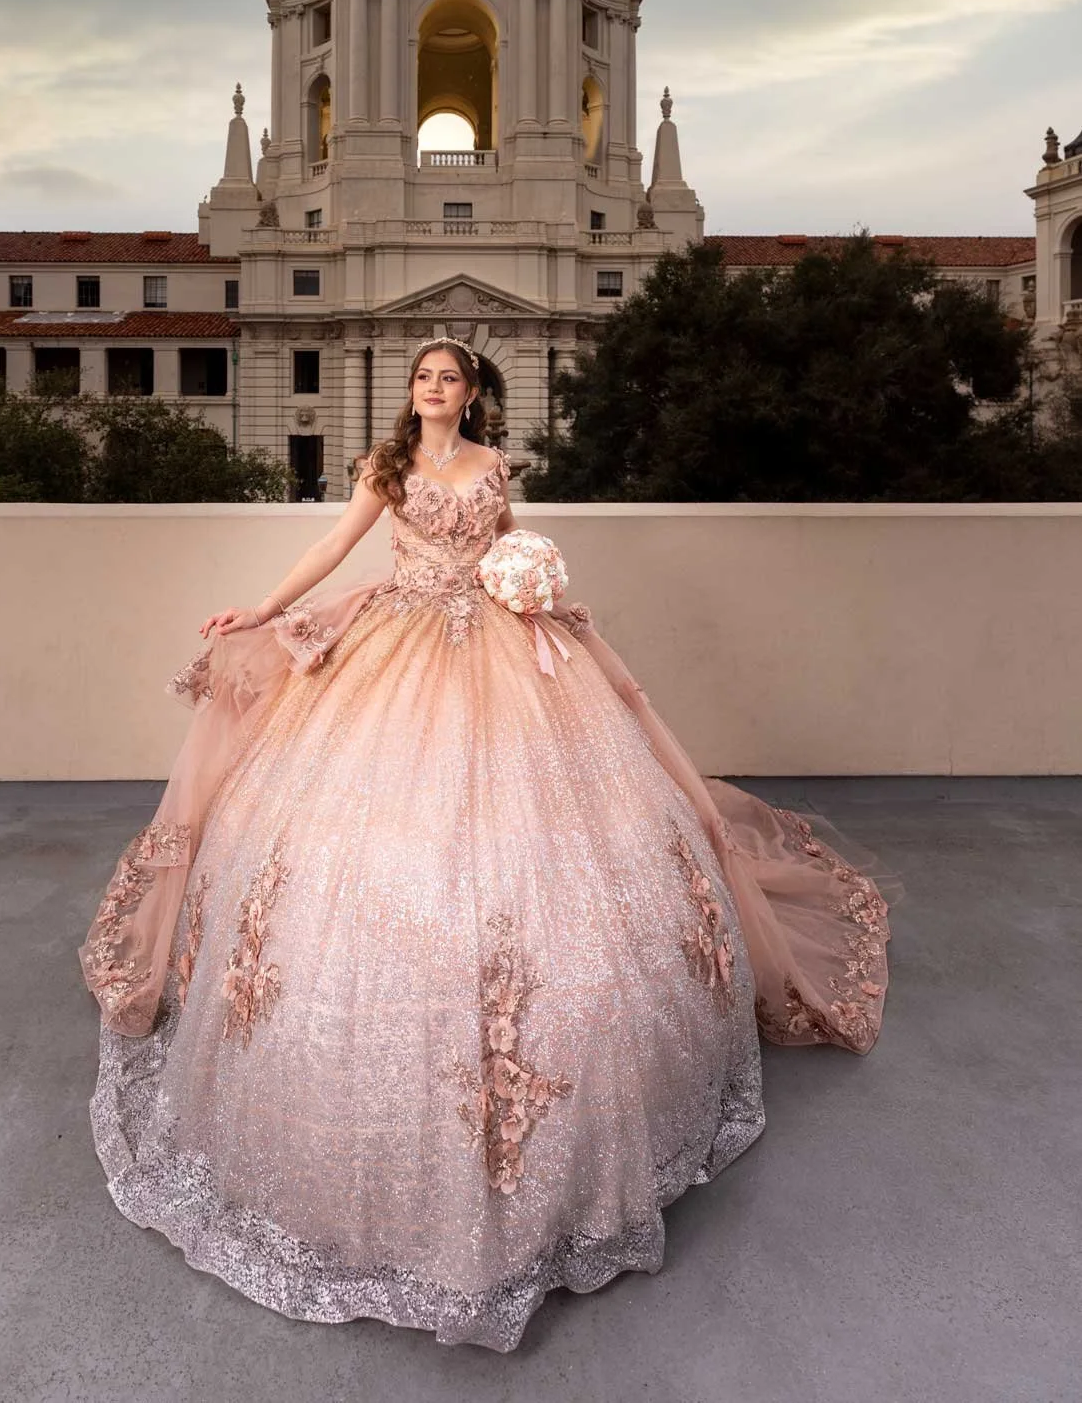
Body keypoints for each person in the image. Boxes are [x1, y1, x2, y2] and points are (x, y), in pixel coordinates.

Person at [81, 337, 893, 1353]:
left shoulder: (491, 465)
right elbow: (335, 548)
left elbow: (503, 545)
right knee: (367, 835)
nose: (433, 389)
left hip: (500, 652)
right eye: (422, 377)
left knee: (547, 827)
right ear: (408, 392)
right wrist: (266, 607)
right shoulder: (387, 467)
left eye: (450, 377)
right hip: (398, 646)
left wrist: (530, 582)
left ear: (471, 394)